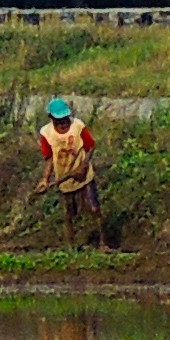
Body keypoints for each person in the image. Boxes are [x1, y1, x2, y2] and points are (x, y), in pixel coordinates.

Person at [36, 95, 104, 245]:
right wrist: (45, 179)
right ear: (51, 118)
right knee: (68, 214)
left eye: (65, 119)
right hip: (63, 177)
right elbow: (49, 158)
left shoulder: (78, 126)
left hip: (84, 176)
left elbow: (91, 145)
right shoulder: (46, 133)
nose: (63, 123)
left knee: (94, 208)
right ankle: (70, 247)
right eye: (59, 120)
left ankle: (102, 243)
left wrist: (84, 164)